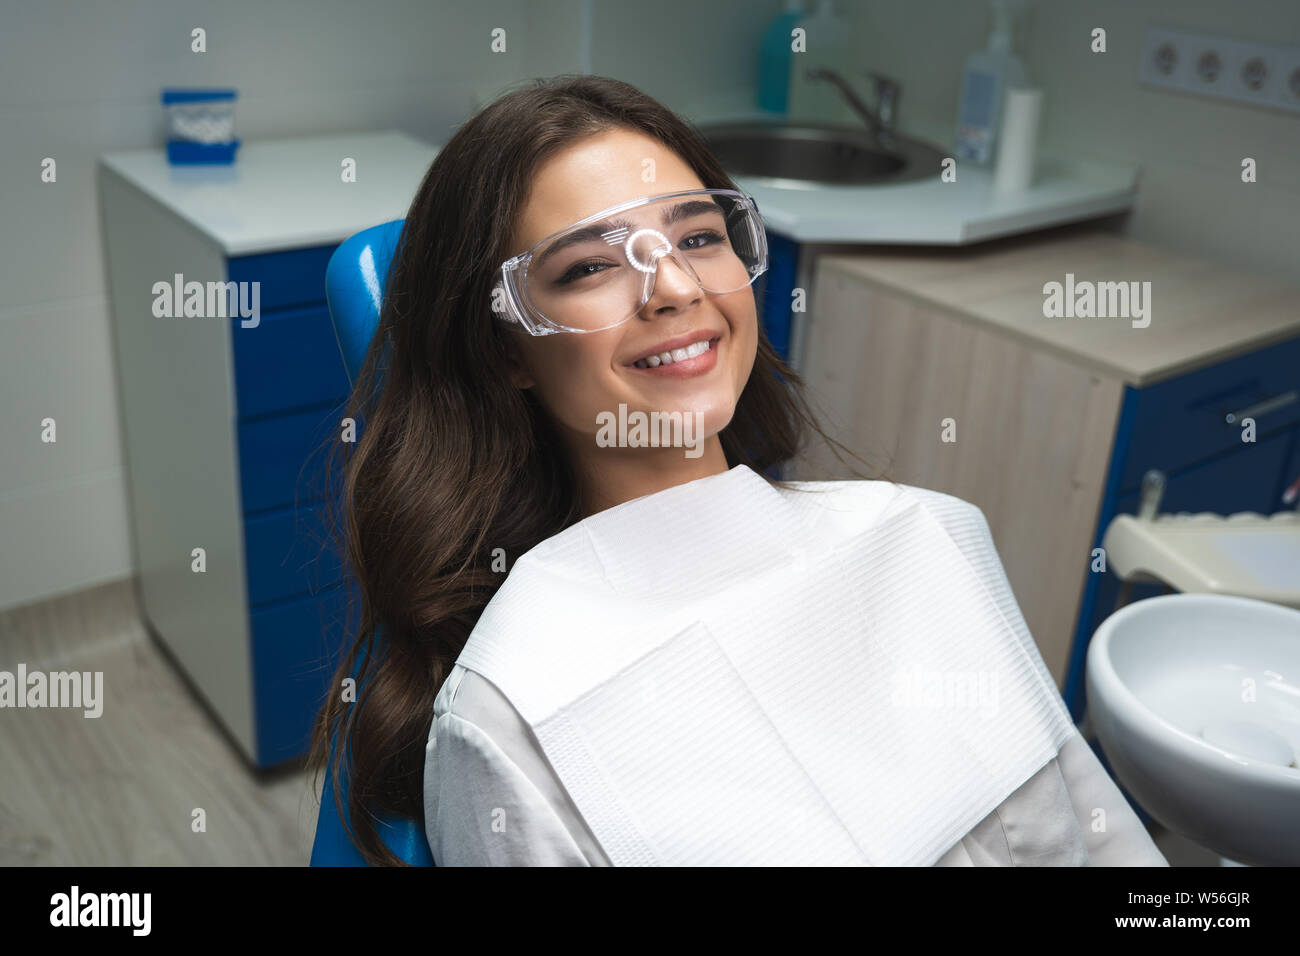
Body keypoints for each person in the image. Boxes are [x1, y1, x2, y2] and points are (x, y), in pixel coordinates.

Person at [310, 74, 1168, 867]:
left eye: (696, 235)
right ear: (506, 352)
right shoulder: (515, 711)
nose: (674, 287)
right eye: (591, 266)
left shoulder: (929, 535)